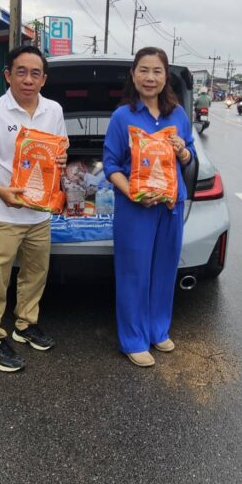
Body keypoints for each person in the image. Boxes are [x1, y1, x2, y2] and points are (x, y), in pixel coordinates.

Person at [0, 45, 67, 373]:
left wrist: (61, 159)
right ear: (8, 75)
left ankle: (25, 324)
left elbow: (61, 149)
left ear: (44, 79)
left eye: (35, 73)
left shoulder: (54, 111)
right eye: (21, 72)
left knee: (36, 273)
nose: (28, 79)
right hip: (3, 212)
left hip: (39, 212)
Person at [103, 47, 196, 367]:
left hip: (170, 206)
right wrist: (133, 193)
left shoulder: (177, 115)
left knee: (164, 270)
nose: (150, 77)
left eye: (157, 71)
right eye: (143, 70)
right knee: (134, 273)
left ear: (165, 77)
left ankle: (158, 330)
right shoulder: (122, 117)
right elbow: (111, 165)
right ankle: (133, 339)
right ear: (133, 75)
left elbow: (190, 157)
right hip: (136, 209)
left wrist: (183, 152)